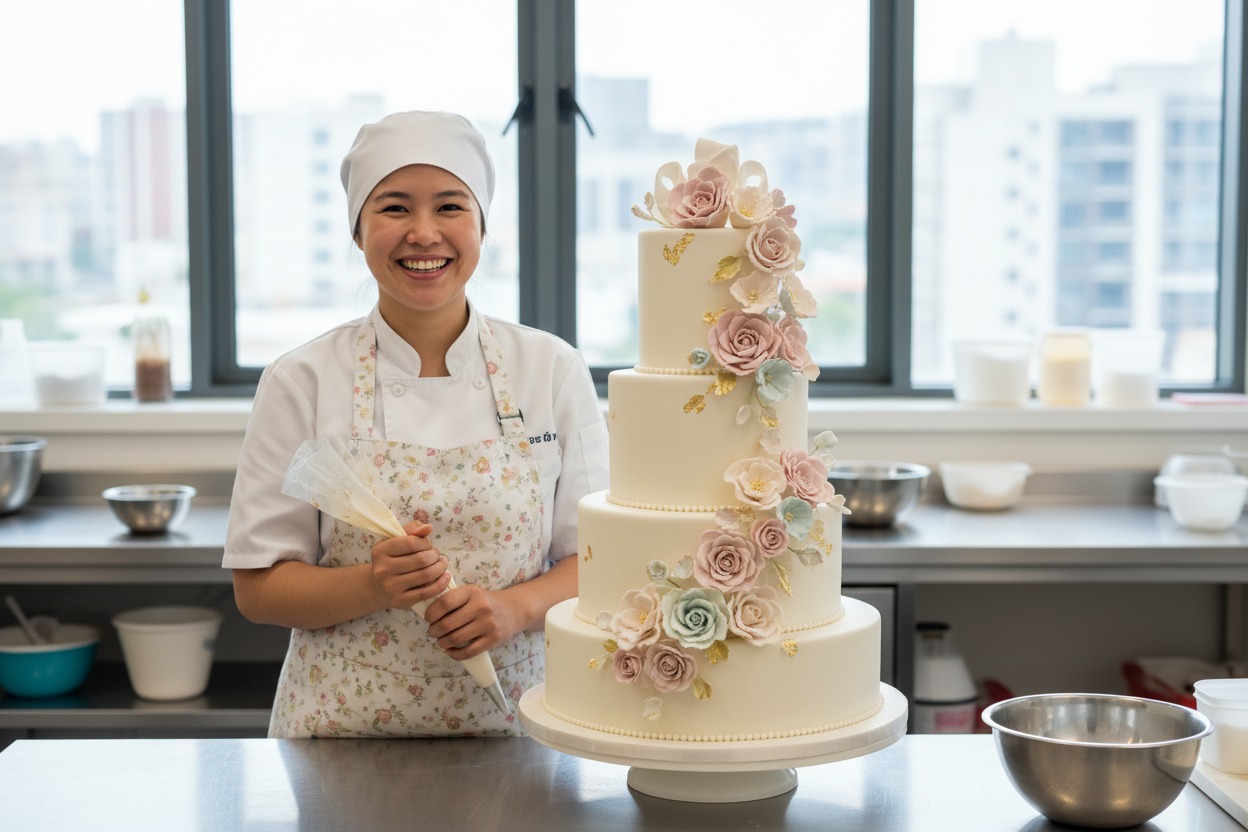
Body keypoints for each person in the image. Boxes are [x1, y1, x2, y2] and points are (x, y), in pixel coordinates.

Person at [223, 111, 608, 738]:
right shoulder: (301, 380)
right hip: (338, 740)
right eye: (395, 208)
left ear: (481, 225)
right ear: (358, 230)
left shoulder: (551, 369)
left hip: (518, 730)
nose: (424, 234)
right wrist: (373, 584)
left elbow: (597, 559)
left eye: (451, 207)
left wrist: (512, 609)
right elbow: (259, 588)